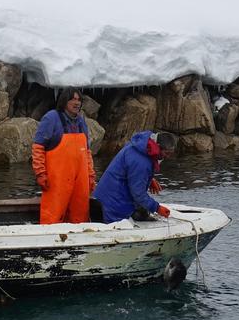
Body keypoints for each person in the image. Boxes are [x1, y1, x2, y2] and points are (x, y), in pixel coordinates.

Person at [31, 89, 96, 225]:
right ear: (64, 101)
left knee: (80, 218)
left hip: (80, 181)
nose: (77, 103)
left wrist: (90, 176)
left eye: (79, 100)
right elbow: (38, 148)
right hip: (57, 181)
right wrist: (40, 173)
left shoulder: (81, 122)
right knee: (52, 218)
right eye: (73, 99)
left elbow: (87, 152)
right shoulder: (51, 118)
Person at [93, 130, 172, 223]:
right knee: (141, 210)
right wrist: (157, 208)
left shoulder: (138, 146)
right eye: (167, 153)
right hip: (112, 209)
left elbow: (131, 171)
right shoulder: (142, 161)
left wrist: (149, 179)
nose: (168, 157)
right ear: (158, 146)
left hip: (101, 200)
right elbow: (138, 194)